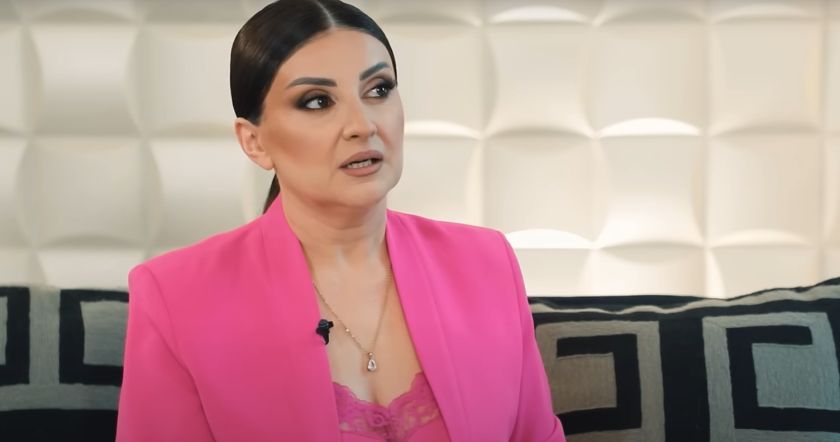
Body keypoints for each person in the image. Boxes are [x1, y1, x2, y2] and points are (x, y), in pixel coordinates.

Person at [115, 0, 565, 440]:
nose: (362, 125)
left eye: (378, 90)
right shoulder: (173, 296)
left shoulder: (487, 262)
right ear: (254, 142)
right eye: (317, 101)